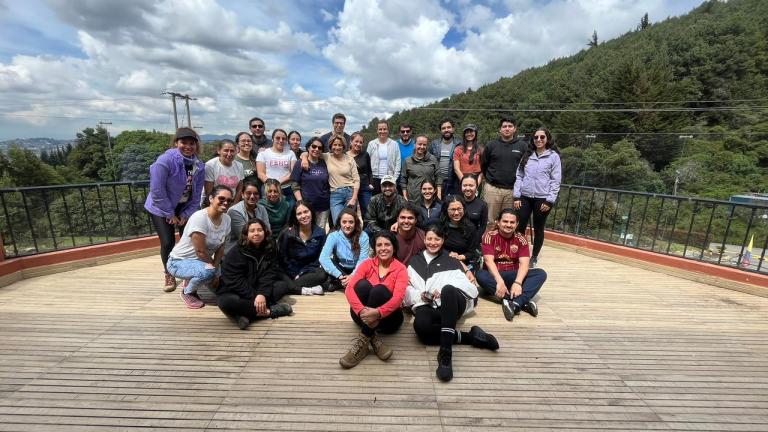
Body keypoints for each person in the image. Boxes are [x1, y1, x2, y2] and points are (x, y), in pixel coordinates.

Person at [404, 224, 498, 382]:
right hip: (426, 304)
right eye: (429, 238)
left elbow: (471, 288)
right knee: (421, 328)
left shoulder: (451, 260)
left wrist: (443, 291)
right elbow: (406, 289)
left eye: (437, 239)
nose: (433, 242)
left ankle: (445, 354)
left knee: (448, 289)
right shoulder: (414, 261)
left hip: (451, 303)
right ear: (424, 239)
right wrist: (420, 295)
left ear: (443, 240)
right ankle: (471, 337)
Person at [144, 127, 205, 292]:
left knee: (190, 241)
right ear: (176, 143)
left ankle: (188, 273)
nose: (188, 146)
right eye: (183, 142)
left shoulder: (198, 164)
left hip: (184, 207)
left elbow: (197, 194)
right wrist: (169, 213)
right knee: (168, 242)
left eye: (192, 143)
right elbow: (157, 191)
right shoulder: (164, 161)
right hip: (160, 207)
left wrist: (186, 213)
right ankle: (169, 272)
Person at [340, 230, 407, 369]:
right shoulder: (367, 264)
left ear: (393, 247)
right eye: (379, 245)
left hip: (390, 319)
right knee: (362, 285)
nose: (383, 248)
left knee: (379, 290)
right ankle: (373, 338)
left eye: (387, 244)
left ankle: (364, 338)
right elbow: (349, 289)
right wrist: (362, 311)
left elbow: (398, 298)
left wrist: (378, 313)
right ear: (375, 248)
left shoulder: (400, 268)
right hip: (362, 315)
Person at [217, 218, 293, 330]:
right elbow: (234, 280)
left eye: (259, 230)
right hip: (236, 291)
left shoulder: (270, 249)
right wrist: (255, 296)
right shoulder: (236, 252)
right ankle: (270, 311)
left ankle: (243, 315)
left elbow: (270, 274)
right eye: (252, 231)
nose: (256, 233)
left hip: (258, 287)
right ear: (246, 234)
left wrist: (262, 293)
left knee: (282, 286)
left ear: (265, 232)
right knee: (224, 302)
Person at [167, 185, 232, 309]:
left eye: (229, 200)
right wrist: (215, 272)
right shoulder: (200, 218)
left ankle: (192, 277)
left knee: (223, 288)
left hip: (201, 262)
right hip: (178, 262)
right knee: (208, 273)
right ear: (211, 198)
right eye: (222, 198)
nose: (226, 202)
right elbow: (200, 251)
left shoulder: (227, 219)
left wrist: (217, 270)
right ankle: (187, 292)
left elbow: (221, 248)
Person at [476, 209, 547, 321]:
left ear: (517, 224)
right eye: (505, 221)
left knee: (541, 274)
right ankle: (522, 302)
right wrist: (499, 281)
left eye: (512, 222)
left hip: (513, 276)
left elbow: (524, 263)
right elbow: (489, 261)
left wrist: (518, 282)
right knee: (480, 275)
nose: (508, 225)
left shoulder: (521, 238)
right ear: (498, 222)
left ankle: (514, 302)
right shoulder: (489, 236)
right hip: (495, 276)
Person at [514, 128, 562, 268]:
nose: (539, 140)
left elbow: (556, 180)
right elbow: (519, 176)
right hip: (525, 197)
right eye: (536, 137)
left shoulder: (553, 157)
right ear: (532, 140)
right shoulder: (528, 155)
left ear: (547, 139)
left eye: (542, 137)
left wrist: (549, 200)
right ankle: (521, 254)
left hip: (543, 198)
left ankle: (534, 257)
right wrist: (517, 196)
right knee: (520, 226)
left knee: (538, 228)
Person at [300, 135, 360, 228]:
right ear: (331, 146)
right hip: (335, 195)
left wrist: (354, 198)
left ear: (343, 146)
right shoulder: (327, 156)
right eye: (335, 144)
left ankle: (350, 242)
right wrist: (304, 159)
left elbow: (356, 179)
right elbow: (308, 152)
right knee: (338, 223)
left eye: (340, 145)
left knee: (349, 223)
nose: (337, 147)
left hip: (350, 193)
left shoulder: (349, 159)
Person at [481, 116, 528, 230]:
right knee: (490, 220)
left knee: (508, 222)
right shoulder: (491, 145)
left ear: (515, 129)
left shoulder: (522, 146)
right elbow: (484, 165)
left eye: (510, 126)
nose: (507, 128)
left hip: (513, 191)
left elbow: (526, 168)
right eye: (504, 126)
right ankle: (487, 245)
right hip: (493, 189)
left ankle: (504, 246)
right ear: (500, 129)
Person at [277, 200, 328, 295]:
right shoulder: (288, 233)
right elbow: (283, 258)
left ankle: (290, 287)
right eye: (299, 214)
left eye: (306, 211)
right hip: (289, 271)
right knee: (279, 274)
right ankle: (306, 289)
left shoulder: (320, 233)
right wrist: (293, 273)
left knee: (322, 274)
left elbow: (319, 259)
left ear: (311, 212)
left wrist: (302, 273)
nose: (303, 216)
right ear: (295, 217)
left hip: (309, 271)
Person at [319, 208, 370, 292]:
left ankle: (341, 283)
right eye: (344, 222)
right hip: (340, 269)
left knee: (367, 268)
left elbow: (363, 260)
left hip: (356, 269)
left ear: (355, 223)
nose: (347, 225)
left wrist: (353, 276)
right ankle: (344, 282)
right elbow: (323, 258)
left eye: (351, 222)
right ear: (340, 222)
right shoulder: (333, 236)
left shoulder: (363, 236)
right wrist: (340, 276)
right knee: (328, 262)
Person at [291, 137, 330, 230]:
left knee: (320, 230)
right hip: (306, 206)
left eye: (320, 148)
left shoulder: (324, 163)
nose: (316, 149)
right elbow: (294, 184)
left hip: (323, 205)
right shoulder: (300, 163)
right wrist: (300, 202)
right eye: (314, 146)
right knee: (306, 229)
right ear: (308, 147)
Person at [440, 195, 481, 280]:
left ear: (464, 209)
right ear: (446, 210)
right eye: (452, 209)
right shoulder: (440, 226)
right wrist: (449, 255)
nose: (456, 213)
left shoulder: (470, 228)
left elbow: (472, 252)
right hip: (444, 259)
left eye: (459, 209)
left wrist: (459, 257)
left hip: (465, 261)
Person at [225, 180, 270, 254]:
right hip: (237, 249)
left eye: (256, 194)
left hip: (258, 245)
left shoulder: (262, 208)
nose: (252, 196)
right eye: (248, 193)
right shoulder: (234, 211)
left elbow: (268, 230)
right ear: (242, 195)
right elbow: (243, 237)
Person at [256, 128, 296, 207]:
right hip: (268, 189)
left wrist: (277, 183)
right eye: (277, 138)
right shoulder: (263, 153)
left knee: (287, 211)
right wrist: (271, 185)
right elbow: (260, 173)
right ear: (272, 139)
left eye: (283, 139)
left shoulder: (290, 153)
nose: (281, 140)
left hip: (286, 189)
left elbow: (293, 172)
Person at [429, 118, 461, 198]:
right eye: (443, 128)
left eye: (448, 127)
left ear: (453, 129)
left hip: (454, 182)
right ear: (440, 130)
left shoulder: (459, 144)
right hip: (437, 181)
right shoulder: (434, 144)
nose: (446, 130)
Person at [367, 120, 401, 195]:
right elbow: (367, 162)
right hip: (375, 179)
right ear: (377, 130)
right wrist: (369, 180)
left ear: (388, 130)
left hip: (389, 178)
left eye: (384, 129)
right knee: (376, 203)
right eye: (380, 129)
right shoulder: (371, 144)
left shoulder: (394, 144)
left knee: (389, 203)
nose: (382, 131)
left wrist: (394, 178)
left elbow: (398, 163)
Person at [204, 139, 244, 205]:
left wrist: (234, 205)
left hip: (231, 202)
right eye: (226, 150)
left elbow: (239, 188)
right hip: (214, 203)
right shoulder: (210, 165)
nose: (229, 154)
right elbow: (209, 192)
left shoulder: (239, 166)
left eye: (232, 151)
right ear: (219, 151)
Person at [401, 135, 438, 203]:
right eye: (419, 144)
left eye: (424, 145)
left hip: (429, 196)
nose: (422, 147)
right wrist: (405, 196)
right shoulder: (408, 161)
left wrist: (438, 195)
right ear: (414, 145)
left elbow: (438, 177)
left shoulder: (432, 159)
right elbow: (403, 179)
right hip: (413, 197)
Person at [348, 132, 374, 219]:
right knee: (351, 213)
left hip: (364, 187)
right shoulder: (345, 155)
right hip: (351, 187)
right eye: (356, 141)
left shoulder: (365, 155)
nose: (358, 144)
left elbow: (369, 170)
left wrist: (371, 183)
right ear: (351, 141)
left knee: (367, 212)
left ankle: (366, 231)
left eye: (360, 142)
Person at [396, 123, 415, 190]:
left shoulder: (416, 145)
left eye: (407, 131)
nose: (405, 133)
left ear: (411, 132)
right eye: (403, 131)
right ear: (399, 133)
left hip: (412, 181)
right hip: (397, 181)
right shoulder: (394, 145)